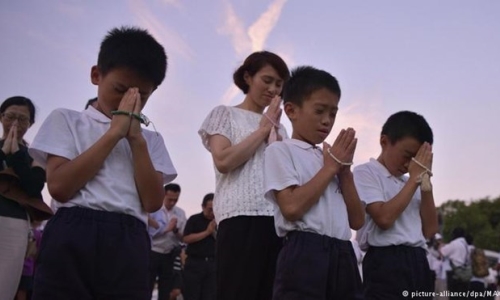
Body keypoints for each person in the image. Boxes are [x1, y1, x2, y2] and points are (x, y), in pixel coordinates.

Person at [28, 26, 177, 300]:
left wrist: (135, 140)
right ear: (97, 75)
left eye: (141, 95)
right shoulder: (68, 120)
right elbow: (59, 187)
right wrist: (113, 133)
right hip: (73, 229)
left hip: (129, 234)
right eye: (118, 89)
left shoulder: (150, 140)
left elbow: (153, 202)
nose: (127, 101)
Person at [263, 66, 364, 300]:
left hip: (343, 251)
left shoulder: (331, 158)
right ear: (291, 110)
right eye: (319, 111)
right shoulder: (281, 150)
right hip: (304, 251)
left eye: (333, 113)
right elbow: (291, 208)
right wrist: (330, 168)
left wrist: (345, 173)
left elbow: (357, 221)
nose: (327, 121)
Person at [198, 50, 290, 300]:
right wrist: (262, 131)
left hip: (276, 221)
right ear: (248, 77)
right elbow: (223, 160)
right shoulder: (224, 114)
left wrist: (276, 136)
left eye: (279, 85)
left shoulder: (280, 128)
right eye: (267, 80)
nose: (273, 89)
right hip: (239, 218)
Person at [354, 110, 438, 299]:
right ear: (384, 142)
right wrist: (414, 180)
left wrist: (425, 183)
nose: (409, 165)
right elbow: (384, 218)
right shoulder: (366, 172)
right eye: (407, 155)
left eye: (416, 159)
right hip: (385, 261)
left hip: (418, 260)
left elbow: (430, 230)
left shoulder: (412, 182)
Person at [0, 96, 50, 300]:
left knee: (5, 283)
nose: (15, 123)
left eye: (22, 119)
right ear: (1, 117)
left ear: (31, 124)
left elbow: (34, 186)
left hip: (15, 221)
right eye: (10, 116)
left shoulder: (35, 156)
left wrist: (15, 156)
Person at [148, 183, 187, 300]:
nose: (172, 202)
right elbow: (148, 233)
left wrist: (175, 230)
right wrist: (166, 229)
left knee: (166, 288)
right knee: (147, 285)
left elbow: (183, 238)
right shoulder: (154, 209)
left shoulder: (180, 213)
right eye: (170, 199)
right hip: (153, 251)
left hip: (169, 254)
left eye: (175, 200)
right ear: (164, 195)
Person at [182, 193, 217, 300]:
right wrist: (207, 232)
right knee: (192, 294)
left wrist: (214, 232)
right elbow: (186, 238)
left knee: (209, 295)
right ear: (203, 207)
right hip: (195, 263)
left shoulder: (218, 221)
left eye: (214, 209)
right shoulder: (194, 219)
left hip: (212, 264)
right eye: (209, 209)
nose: (212, 213)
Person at [439, 227, 472, 299]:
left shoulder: (455, 243)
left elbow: (442, 252)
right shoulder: (466, 245)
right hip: (464, 275)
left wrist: (440, 245)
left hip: (455, 274)